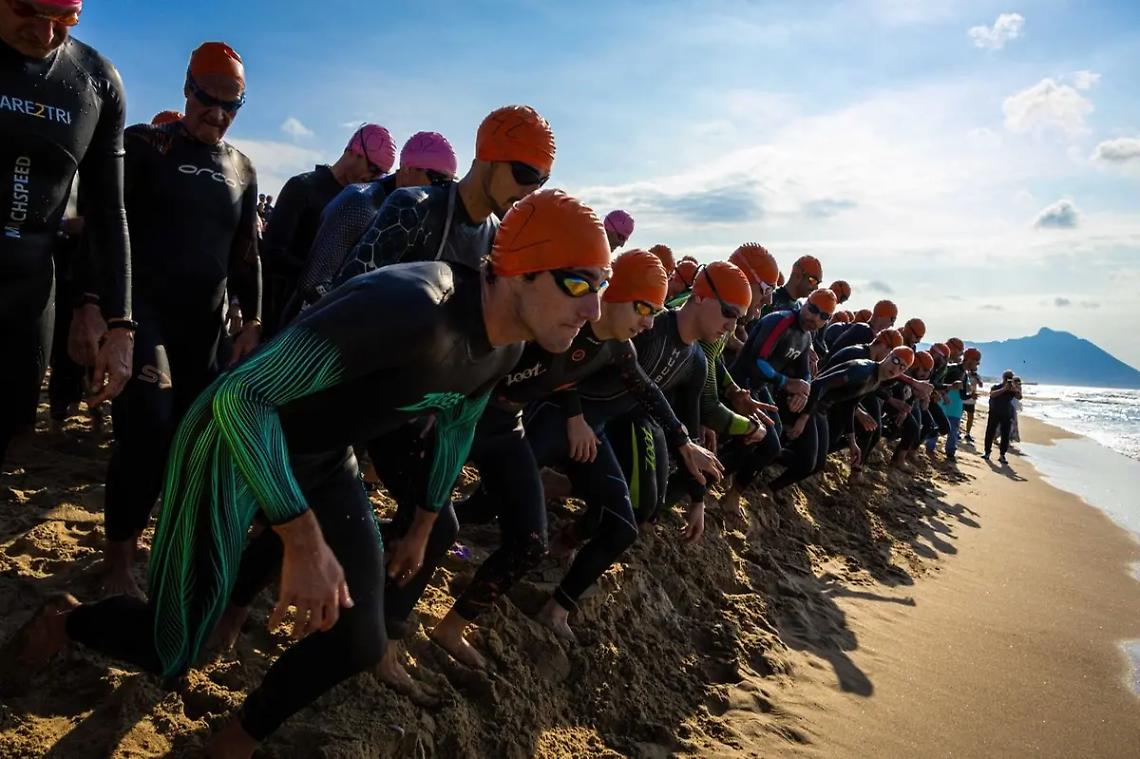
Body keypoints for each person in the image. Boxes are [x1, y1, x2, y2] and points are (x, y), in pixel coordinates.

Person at [0, 189, 613, 757]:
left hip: (320, 457)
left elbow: (457, 427)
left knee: (360, 640)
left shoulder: (508, 343)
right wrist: (302, 539)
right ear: (519, 270)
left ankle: (233, 742)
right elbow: (241, 399)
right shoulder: (412, 310)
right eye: (578, 283)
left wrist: (424, 525)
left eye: (603, 286)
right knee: (171, 648)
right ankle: (66, 620)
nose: (594, 309)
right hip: (229, 443)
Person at [435, 249, 720, 662]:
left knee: (620, 527)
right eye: (644, 308)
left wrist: (684, 445)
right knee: (478, 509)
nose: (649, 321)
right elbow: (549, 367)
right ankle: (413, 538)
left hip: (580, 429)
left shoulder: (626, 346)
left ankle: (547, 609)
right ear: (616, 294)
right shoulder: (572, 324)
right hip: (532, 420)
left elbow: (647, 391)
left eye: (655, 311)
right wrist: (573, 415)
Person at [91, 42, 262, 598]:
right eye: (208, 99)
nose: (217, 114)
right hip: (145, 315)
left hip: (204, 330)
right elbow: (105, 225)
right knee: (148, 432)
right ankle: (118, 560)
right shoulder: (147, 144)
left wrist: (253, 321)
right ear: (187, 90)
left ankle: (164, 544)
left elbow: (246, 254)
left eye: (230, 105)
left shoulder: (242, 168)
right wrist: (94, 306)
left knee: (195, 444)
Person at [531, 261, 749, 639]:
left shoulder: (696, 362)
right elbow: (569, 365)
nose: (732, 326)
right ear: (701, 296)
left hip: (607, 428)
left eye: (739, 319)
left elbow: (684, 419)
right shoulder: (648, 327)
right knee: (490, 504)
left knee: (632, 518)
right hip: (567, 417)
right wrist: (575, 416)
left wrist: (698, 498)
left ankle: (557, 606)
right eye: (729, 313)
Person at [1, 0, 133, 468]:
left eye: (63, 20)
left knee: (9, 439)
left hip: (28, 294)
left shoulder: (95, 80)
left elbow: (109, 212)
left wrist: (120, 324)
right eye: (26, 10)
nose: (44, 34)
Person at [303, 104, 554, 303]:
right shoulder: (410, 207)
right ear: (488, 158)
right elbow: (341, 306)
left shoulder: (498, 241)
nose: (531, 191)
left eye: (541, 181)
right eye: (525, 174)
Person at [290, 130, 459, 322]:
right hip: (310, 327)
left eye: (447, 184)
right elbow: (313, 284)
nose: (440, 191)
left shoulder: (414, 216)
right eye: (436, 179)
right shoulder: (362, 202)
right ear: (407, 170)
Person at [259, 123, 397, 335]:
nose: (373, 178)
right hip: (281, 312)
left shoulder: (363, 203)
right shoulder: (303, 186)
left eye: (381, 174)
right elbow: (272, 253)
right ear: (354, 152)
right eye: (373, 169)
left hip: (323, 318)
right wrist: (319, 277)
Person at [733, 288, 836, 492]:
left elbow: (804, 373)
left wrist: (803, 391)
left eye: (823, 316)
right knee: (769, 444)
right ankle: (730, 489)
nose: (815, 318)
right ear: (805, 304)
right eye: (813, 309)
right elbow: (757, 360)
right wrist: (786, 382)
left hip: (760, 387)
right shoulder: (781, 321)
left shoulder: (806, 336)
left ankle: (731, 485)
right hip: (741, 382)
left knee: (775, 436)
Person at [784, 346, 915, 486]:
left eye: (902, 367)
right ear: (888, 355)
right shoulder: (863, 370)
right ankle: (772, 475)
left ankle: (773, 482)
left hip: (821, 410)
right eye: (896, 360)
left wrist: (852, 442)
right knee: (808, 462)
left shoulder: (876, 380)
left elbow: (850, 406)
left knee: (817, 464)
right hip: (811, 404)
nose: (896, 368)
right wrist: (803, 418)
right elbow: (819, 385)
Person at [826, 299, 898, 353]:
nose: (892, 325)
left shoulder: (852, 328)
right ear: (882, 316)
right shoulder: (865, 333)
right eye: (892, 319)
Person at [984, 370, 1021, 464]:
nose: (1008, 379)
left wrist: (1016, 389)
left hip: (1006, 414)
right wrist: (1004, 389)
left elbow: (1019, 397)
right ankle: (987, 452)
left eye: (1010, 378)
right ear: (1003, 378)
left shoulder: (1012, 390)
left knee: (1005, 435)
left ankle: (1002, 455)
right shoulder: (997, 387)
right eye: (1007, 377)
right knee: (990, 432)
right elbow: (992, 394)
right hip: (994, 412)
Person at [962, 347, 982, 443]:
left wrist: (977, 379)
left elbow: (981, 385)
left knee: (970, 417)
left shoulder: (977, 376)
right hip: (963, 398)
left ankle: (968, 433)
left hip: (971, 399)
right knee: (960, 416)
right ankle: (958, 432)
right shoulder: (964, 373)